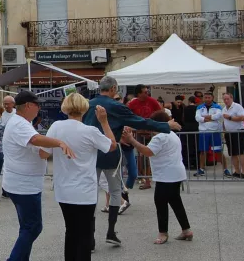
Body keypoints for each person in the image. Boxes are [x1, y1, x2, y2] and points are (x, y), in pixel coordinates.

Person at [83, 77, 181, 250]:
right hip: (110, 153)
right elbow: (140, 121)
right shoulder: (115, 106)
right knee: (114, 192)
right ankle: (111, 232)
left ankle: (89, 237)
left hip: (90, 155)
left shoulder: (88, 105)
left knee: (90, 194)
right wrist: (166, 125)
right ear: (113, 88)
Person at [2, 91, 75, 261]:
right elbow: (35, 140)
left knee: (26, 227)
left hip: (21, 182)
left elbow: (37, 149)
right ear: (28, 105)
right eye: (37, 105)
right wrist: (59, 142)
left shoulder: (21, 122)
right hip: (23, 184)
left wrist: (49, 147)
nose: (39, 108)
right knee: (33, 227)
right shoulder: (20, 124)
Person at [45, 94, 117, 261]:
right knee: (84, 233)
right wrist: (104, 122)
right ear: (85, 108)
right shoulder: (90, 131)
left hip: (64, 188)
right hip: (85, 189)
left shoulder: (56, 127)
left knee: (70, 230)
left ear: (65, 108)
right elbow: (111, 145)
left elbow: (44, 152)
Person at [122, 111, 193, 245]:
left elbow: (147, 152)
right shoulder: (171, 134)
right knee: (175, 202)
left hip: (166, 175)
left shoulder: (160, 137)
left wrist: (132, 140)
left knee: (160, 203)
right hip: (175, 173)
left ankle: (163, 233)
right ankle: (186, 229)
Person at [127, 84, 162, 191]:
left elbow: (161, 113)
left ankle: (147, 180)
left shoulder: (152, 101)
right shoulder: (133, 103)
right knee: (141, 156)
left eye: (147, 92)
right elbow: (127, 115)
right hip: (138, 132)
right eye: (145, 92)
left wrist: (155, 125)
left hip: (151, 132)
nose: (147, 94)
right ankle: (142, 176)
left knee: (148, 156)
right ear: (138, 94)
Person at [194, 92, 224, 177]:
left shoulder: (217, 106)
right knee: (203, 151)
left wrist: (205, 118)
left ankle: (225, 169)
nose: (207, 99)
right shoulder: (200, 107)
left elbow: (217, 116)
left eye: (209, 97)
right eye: (205, 97)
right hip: (203, 132)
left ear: (212, 98)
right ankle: (201, 169)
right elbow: (197, 118)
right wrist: (210, 118)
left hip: (215, 132)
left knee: (218, 151)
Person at [222, 93, 244, 179]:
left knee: (240, 152)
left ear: (231, 98)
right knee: (232, 153)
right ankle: (236, 171)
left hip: (238, 131)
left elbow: (242, 118)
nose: (226, 101)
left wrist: (230, 117)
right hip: (229, 132)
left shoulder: (237, 107)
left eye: (227, 99)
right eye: (224, 99)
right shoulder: (224, 109)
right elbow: (223, 122)